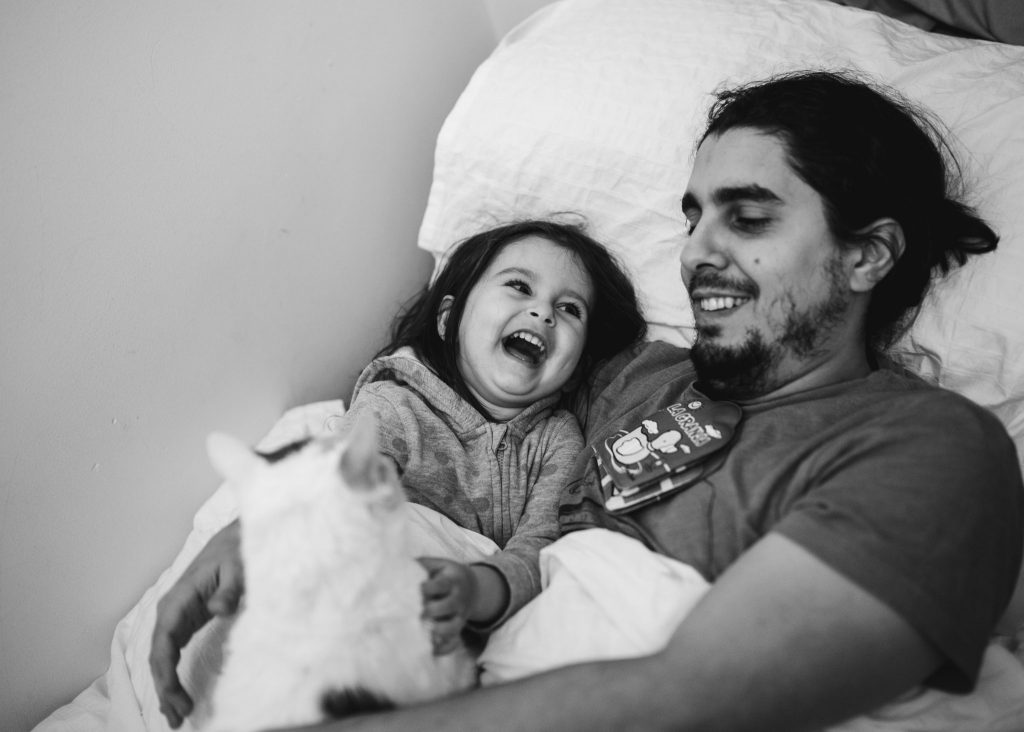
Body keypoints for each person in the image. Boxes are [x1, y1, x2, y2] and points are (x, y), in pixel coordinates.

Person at [159, 69, 1024, 732]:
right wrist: (289, 514)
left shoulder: (933, 446)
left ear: (868, 257)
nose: (695, 254)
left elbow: (685, 700)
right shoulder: (634, 375)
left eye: (748, 219)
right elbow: (468, 387)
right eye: (693, 218)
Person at [148, 220, 646, 728]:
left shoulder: (559, 442)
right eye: (519, 286)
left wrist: (476, 589)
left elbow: (538, 550)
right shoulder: (397, 401)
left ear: (579, 360)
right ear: (449, 319)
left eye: (570, 309)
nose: (543, 311)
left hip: (430, 633)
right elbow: (335, 479)